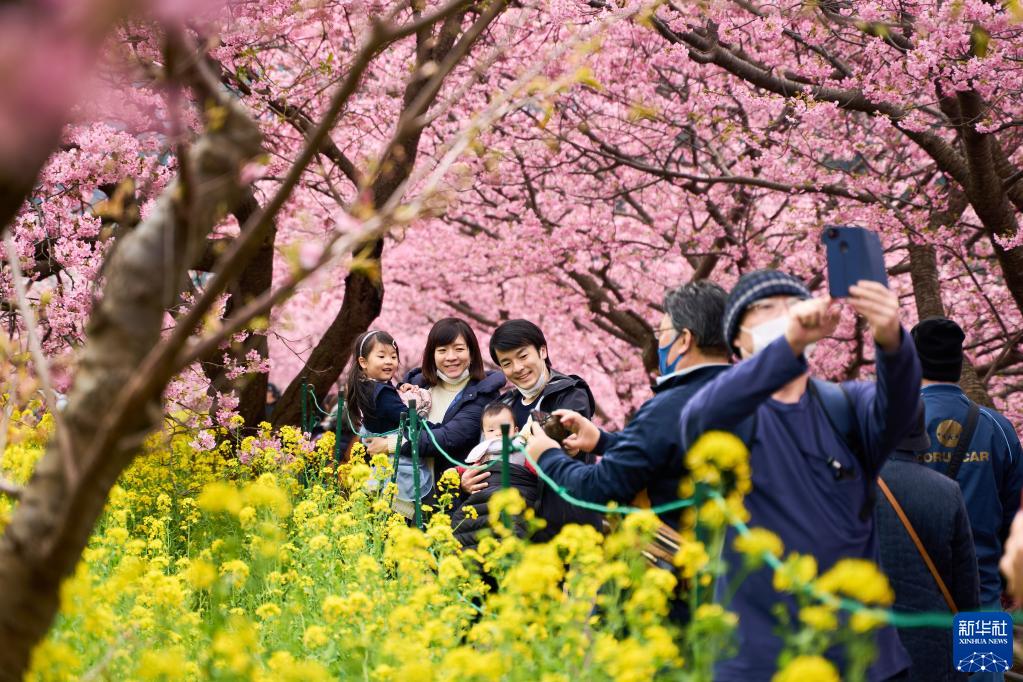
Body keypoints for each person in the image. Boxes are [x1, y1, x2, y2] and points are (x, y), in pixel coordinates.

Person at [677, 270, 921, 681]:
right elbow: (697, 418)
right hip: (761, 661)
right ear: (736, 339)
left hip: (861, 659)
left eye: (792, 305)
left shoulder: (847, 405)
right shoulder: (732, 415)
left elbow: (902, 408)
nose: (785, 316)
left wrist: (892, 341)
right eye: (765, 309)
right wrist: (788, 344)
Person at [522, 281, 731, 530]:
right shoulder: (749, 393)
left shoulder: (670, 407)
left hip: (679, 555)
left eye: (662, 334)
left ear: (685, 339)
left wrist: (546, 455)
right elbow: (670, 451)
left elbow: (599, 488)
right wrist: (605, 442)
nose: (658, 344)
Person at [911, 317, 1023, 619]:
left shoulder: (889, 426)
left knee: (918, 668)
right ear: (960, 365)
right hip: (982, 593)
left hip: (909, 600)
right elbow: (1015, 516)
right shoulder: (998, 428)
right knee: (983, 665)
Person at [874, 405, 979, 682]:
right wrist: (977, 659)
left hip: (865, 649)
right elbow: (967, 587)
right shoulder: (947, 491)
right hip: (933, 655)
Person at [363, 318, 506, 514]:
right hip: (401, 494)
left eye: (459, 349)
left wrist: (392, 444)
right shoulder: (416, 386)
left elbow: (448, 437)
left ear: (471, 352)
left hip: (445, 501)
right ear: (432, 354)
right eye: (442, 350)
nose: (451, 357)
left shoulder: (482, 395)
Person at [481, 318, 599, 542]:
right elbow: (488, 455)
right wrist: (473, 476)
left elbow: (565, 438)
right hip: (515, 529)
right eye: (506, 363)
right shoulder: (505, 406)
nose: (518, 368)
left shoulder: (570, 392)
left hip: (566, 525)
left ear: (542, 350)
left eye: (523, 356)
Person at [449, 403, 539, 550]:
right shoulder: (483, 453)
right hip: (483, 501)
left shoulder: (521, 449)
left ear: (516, 430)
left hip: (513, 497)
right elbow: (467, 469)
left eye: (504, 428)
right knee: (462, 522)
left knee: (514, 526)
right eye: (491, 430)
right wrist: (454, 473)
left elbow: (535, 469)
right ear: (484, 435)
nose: (498, 433)